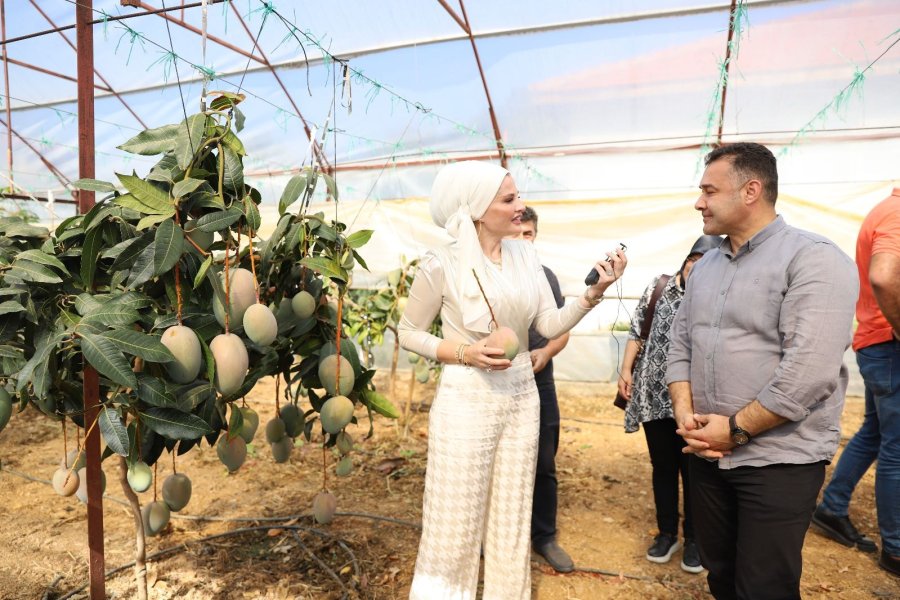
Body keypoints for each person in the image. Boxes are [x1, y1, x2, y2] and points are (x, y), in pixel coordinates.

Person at [398, 161, 626, 599]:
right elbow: (408, 332)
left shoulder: (526, 255)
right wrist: (464, 352)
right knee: (455, 519)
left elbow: (549, 323)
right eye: (509, 199)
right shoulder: (440, 263)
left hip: (521, 391)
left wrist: (593, 293)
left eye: (518, 196)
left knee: (512, 515)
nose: (521, 206)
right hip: (467, 395)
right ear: (477, 209)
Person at [666, 142, 858, 599]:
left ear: (750, 191)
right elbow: (680, 343)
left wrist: (734, 430)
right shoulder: (706, 266)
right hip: (707, 452)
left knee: (764, 586)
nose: (699, 202)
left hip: (778, 459)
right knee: (721, 575)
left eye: (709, 191)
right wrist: (685, 414)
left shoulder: (814, 258)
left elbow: (808, 372)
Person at [618, 234, 722, 574]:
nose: (697, 269)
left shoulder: (715, 296)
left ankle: (694, 538)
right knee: (662, 467)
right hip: (653, 397)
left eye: (707, 264)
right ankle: (666, 534)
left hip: (693, 400)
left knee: (694, 470)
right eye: (694, 261)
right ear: (687, 260)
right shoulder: (659, 287)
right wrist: (625, 370)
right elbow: (638, 331)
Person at [812, 186, 900, 577]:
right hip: (889, 344)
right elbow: (882, 276)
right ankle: (895, 549)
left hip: (877, 342)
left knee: (874, 433)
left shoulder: (886, 208)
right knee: (897, 448)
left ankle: (832, 508)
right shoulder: (897, 214)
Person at [518, 207, 573, 573]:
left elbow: (562, 330)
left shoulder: (545, 277)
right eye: (516, 233)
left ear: (535, 236)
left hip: (539, 379)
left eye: (528, 234)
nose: (523, 240)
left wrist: (546, 352)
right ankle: (494, 534)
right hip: (496, 378)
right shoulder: (484, 274)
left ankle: (544, 536)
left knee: (543, 460)